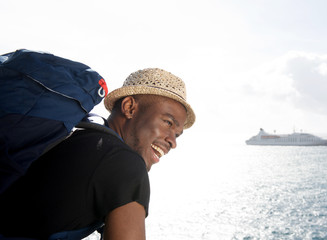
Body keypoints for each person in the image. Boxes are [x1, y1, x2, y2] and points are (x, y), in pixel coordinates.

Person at [0, 68, 195, 240]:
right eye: (168, 123)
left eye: (177, 134)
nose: (173, 141)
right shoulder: (125, 164)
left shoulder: (77, 133)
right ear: (129, 107)